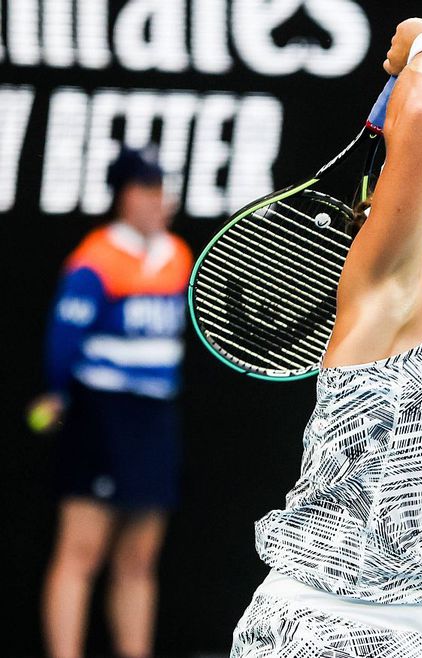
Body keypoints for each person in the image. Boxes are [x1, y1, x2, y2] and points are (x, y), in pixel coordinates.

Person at [230, 17, 422, 657]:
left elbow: (416, 122)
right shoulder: (390, 294)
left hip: (414, 632)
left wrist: (402, 88)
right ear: (415, 226)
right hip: (316, 630)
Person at [26, 146, 193, 658]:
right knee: (81, 552)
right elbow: (61, 340)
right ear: (122, 197)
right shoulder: (94, 260)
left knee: (140, 559)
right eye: (144, 189)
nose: (156, 200)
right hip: (101, 415)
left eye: (160, 188)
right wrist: (58, 393)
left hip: (155, 416)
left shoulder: (178, 256)